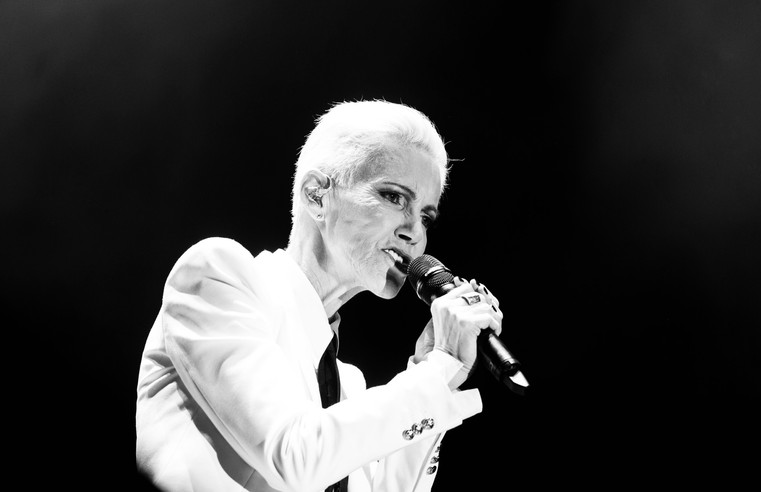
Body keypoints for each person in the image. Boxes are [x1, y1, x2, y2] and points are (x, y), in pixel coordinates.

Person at [135, 99, 504, 492]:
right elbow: (296, 455)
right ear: (317, 195)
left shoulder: (348, 388)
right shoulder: (217, 276)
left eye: (426, 216)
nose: (415, 233)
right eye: (395, 197)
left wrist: (436, 369)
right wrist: (436, 371)